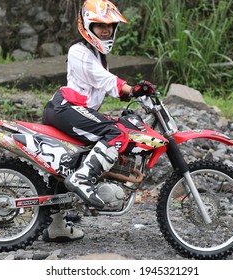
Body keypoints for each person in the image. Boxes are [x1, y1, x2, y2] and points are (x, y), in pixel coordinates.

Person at [41, 0, 154, 242]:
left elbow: (99, 85)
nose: (106, 30)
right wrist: (131, 89)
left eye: (110, 26)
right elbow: (102, 79)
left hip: (73, 110)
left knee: (67, 164)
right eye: (99, 25)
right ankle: (84, 178)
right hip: (65, 108)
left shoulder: (97, 54)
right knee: (115, 134)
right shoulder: (79, 51)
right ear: (87, 26)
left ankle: (55, 225)